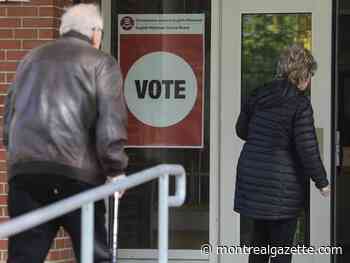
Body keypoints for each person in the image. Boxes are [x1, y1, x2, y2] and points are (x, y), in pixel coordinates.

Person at [3, 4, 128, 263]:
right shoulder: (101, 62)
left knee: (24, 257)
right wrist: (115, 169)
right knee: (93, 255)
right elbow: (110, 122)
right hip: (77, 176)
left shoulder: (30, 59)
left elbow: (8, 121)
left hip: (27, 173)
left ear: (63, 30)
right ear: (95, 33)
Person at [234, 44, 330, 263]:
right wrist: (322, 182)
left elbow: (241, 130)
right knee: (280, 251)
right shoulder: (300, 103)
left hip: (253, 180)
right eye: (310, 75)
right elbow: (307, 148)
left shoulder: (259, 94)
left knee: (258, 247)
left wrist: (263, 140)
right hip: (281, 186)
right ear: (302, 75)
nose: (310, 81)